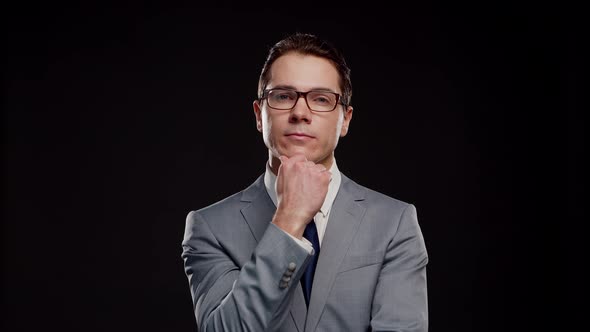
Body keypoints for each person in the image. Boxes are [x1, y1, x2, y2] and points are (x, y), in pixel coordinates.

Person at [181, 32, 429, 332]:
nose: (300, 113)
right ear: (260, 115)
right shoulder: (210, 227)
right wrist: (288, 220)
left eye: (321, 99)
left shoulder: (394, 222)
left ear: (345, 119)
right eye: (283, 96)